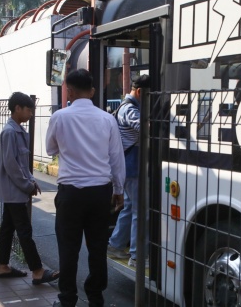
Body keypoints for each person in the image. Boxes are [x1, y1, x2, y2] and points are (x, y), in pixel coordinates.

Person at [46, 69, 125, 307]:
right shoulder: (107, 119)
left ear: (68, 90)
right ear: (91, 91)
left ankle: (67, 299)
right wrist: (118, 190)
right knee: (98, 248)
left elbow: (50, 150)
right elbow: (116, 158)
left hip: (70, 193)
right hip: (100, 193)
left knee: (68, 249)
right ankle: (95, 297)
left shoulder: (59, 117)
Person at [0, 92, 59, 285]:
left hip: (14, 191)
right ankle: (37, 271)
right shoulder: (10, 132)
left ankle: (2, 266)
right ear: (17, 109)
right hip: (14, 192)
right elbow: (11, 165)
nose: (31, 113)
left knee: (8, 228)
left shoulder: (17, 131)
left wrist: (30, 180)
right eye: (29, 109)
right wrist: (27, 185)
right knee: (24, 231)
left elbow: (21, 163)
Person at [107, 74, 150, 268]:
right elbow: (145, 127)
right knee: (141, 212)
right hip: (133, 166)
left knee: (130, 208)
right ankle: (137, 255)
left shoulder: (126, 107)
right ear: (140, 92)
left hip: (128, 166)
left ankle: (115, 244)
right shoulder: (130, 109)